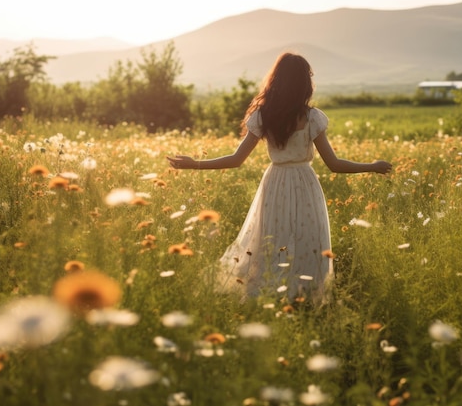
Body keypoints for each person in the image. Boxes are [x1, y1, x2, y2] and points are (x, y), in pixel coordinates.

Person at [167, 52, 392, 303]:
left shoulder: (264, 116)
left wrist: (194, 164)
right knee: (308, 241)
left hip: (275, 184)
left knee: (272, 241)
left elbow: (235, 159)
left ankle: (269, 296)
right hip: (306, 184)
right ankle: (304, 298)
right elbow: (335, 165)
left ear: (276, 80)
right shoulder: (311, 118)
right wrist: (372, 166)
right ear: (303, 83)